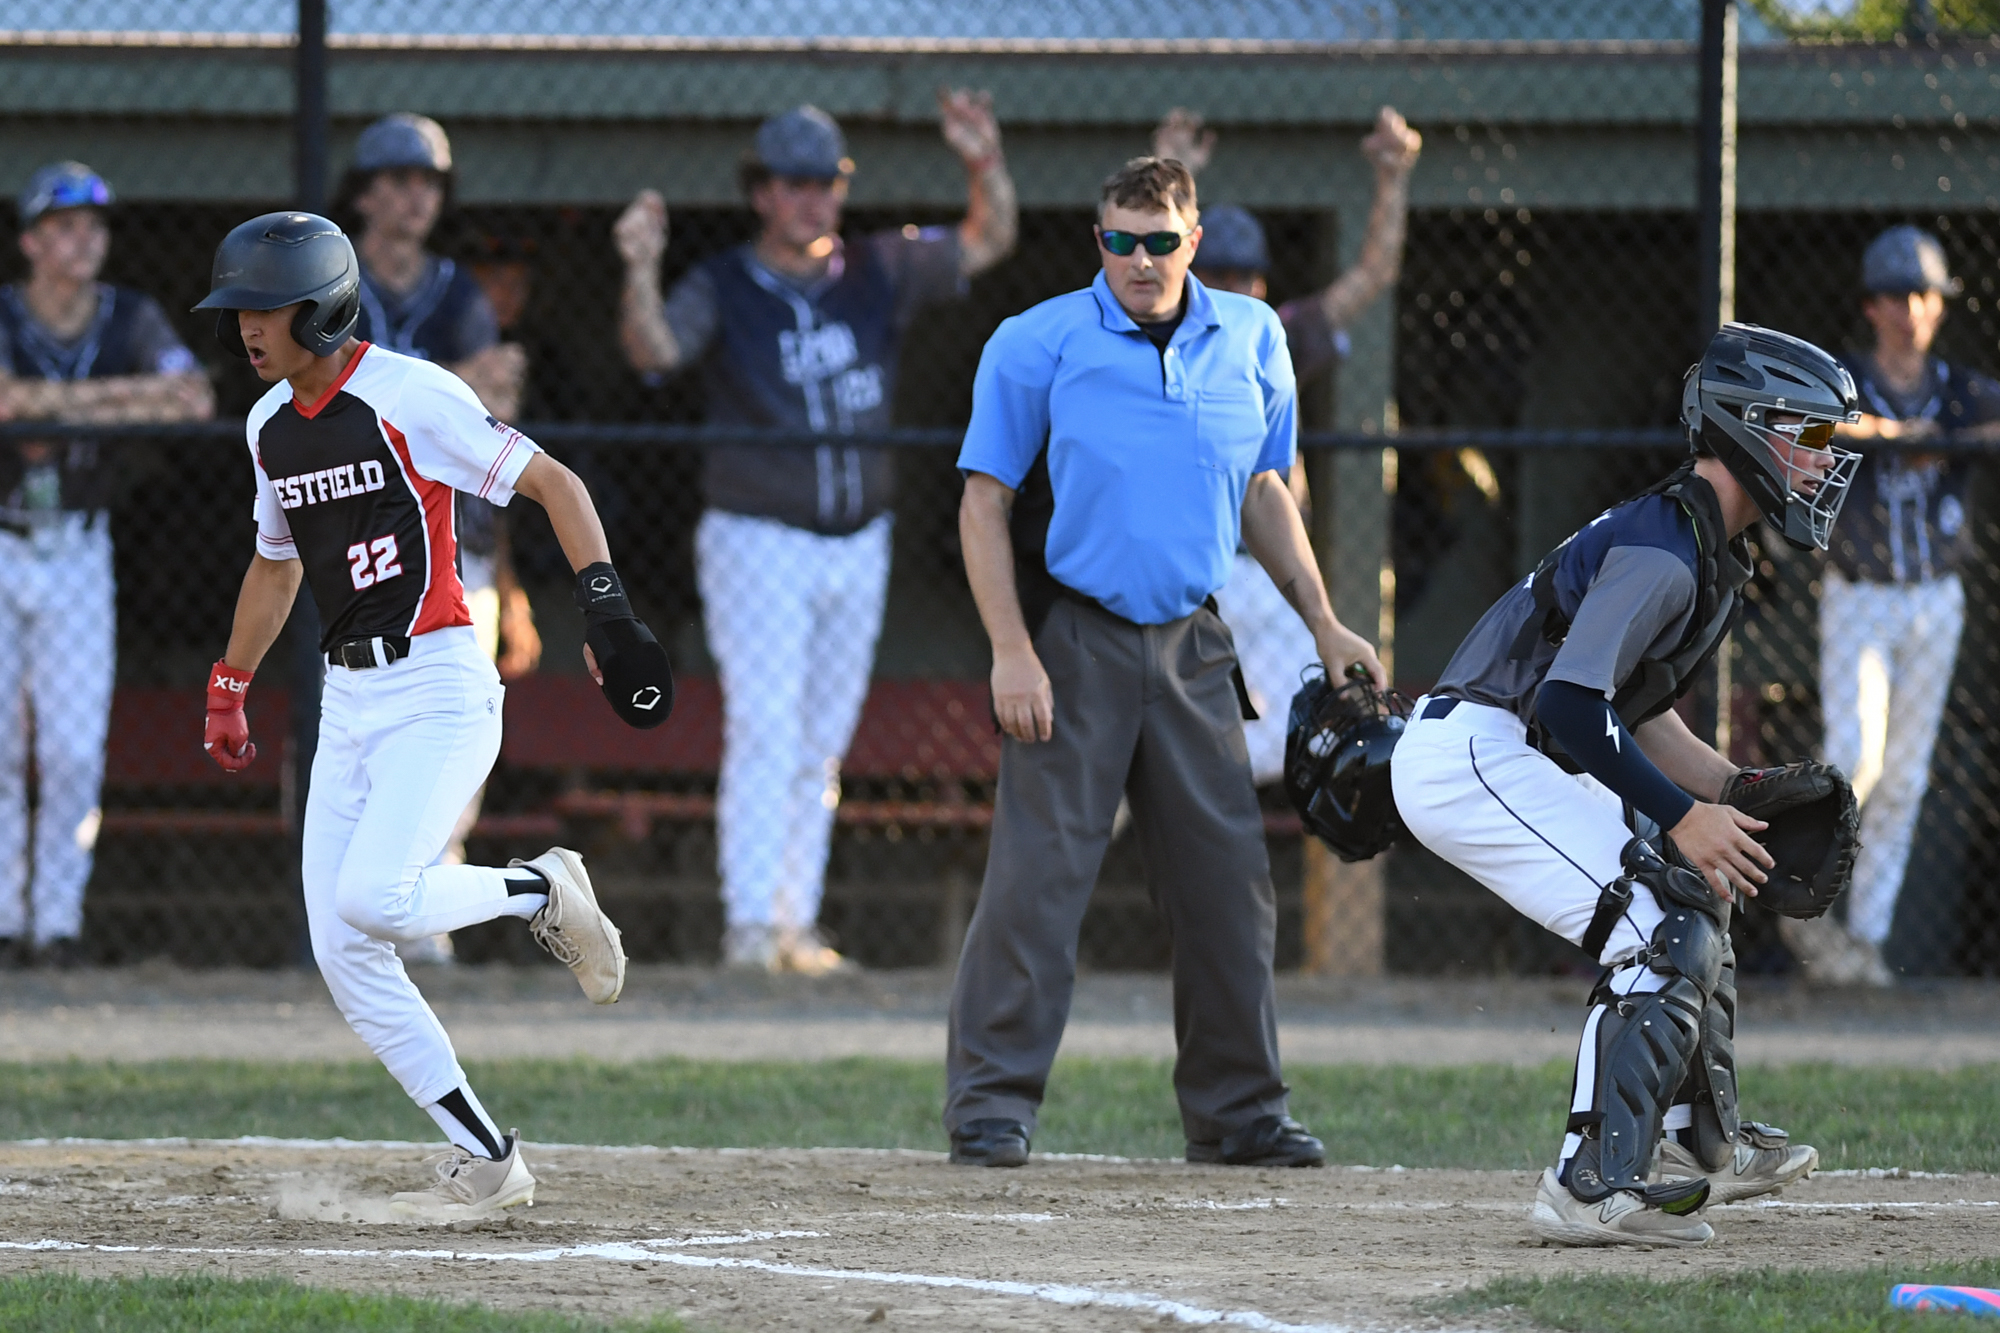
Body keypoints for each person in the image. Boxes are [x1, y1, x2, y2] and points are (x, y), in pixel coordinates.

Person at [195, 211, 647, 1219]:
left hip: (438, 684)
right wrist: (230, 682)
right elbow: (276, 567)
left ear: (320, 311)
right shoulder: (271, 425)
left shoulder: (411, 394)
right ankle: (485, 1155)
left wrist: (606, 607)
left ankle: (538, 886)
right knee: (341, 944)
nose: (245, 330)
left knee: (380, 900)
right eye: (237, 312)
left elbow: (551, 482)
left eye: (263, 310)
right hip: (347, 695)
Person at [945, 156, 1383, 1170]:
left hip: (1194, 640)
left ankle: (1238, 1114)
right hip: (1074, 638)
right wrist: (1011, 651)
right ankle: (989, 1107)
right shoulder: (1036, 342)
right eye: (1118, 241)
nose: (1138, 262)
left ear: (1193, 240)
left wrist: (1323, 621)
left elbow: (1266, 488)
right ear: (1097, 238)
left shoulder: (1253, 337)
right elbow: (981, 502)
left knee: (1227, 884)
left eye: (1159, 242)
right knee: (1037, 880)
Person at [1390, 323, 1852, 1246]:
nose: (1820, 460)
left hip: (1506, 746)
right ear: (1745, 429)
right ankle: (1586, 1184)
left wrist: (1728, 788)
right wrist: (1683, 816)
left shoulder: (1704, 546)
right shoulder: (1666, 546)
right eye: (1807, 434)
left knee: (1695, 895)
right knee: (1654, 916)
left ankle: (1697, 1145)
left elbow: (1631, 710)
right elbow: (1568, 703)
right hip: (1478, 749)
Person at [614, 95, 1018, 974]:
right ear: (761, 193)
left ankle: (793, 922)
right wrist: (640, 267)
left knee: (822, 736)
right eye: (795, 186)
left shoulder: (875, 266)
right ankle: (751, 923)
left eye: (827, 184)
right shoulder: (724, 281)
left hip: (859, 536)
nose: (814, 202)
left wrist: (983, 162)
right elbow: (655, 351)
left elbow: (987, 242)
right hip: (758, 535)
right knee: (765, 726)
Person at [1155, 106, 1421, 781]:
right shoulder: (1155, 332)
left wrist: (1392, 178)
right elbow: (1134, 250)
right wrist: (1166, 169)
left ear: (1260, 283)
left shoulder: (1272, 334)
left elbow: (1373, 274)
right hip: (1192, 568)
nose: (1227, 287)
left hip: (1272, 568)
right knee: (1160, 732)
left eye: (1241, 275)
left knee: (1286, 745)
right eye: (1214, 272)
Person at [0, 162, 214, 968]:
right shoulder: (7, 313)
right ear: (30, 241)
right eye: (62, 226)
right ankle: (3, 918)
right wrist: (120, 403)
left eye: (93, 225)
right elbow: (2, 406)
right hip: (4, 535)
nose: (82, 239)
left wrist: (54, 402)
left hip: (81, 548)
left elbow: (191, 398)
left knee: (72, 749)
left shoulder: (131, 315)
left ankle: (54, 924)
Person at [341, 113, 542, 962]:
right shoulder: (329, 285)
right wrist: (440, 402)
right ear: (362, 194)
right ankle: (359, 918)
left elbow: (494, 416)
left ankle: (426, 914)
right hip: (354, 546)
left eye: (426, 180)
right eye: (396, 179)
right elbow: (330, 414)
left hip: (459, 546)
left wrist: (397, 407)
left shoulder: (459, 290)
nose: (414, 194)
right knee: (357, 736)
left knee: (456, 734)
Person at [1793, 226, 2000, 986]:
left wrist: (1945, 439)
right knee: (1856, 757)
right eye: (1896, 296)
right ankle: (1802, 909)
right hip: (1860, 594)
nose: (1912, 309)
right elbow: (1806, 429)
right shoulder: (1847, 379)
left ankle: (1863, 944)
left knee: (1907, 776)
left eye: (1924, 296)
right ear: (1871, 307)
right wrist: (1884, 434)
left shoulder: (1956, 389)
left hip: (1935, 597)